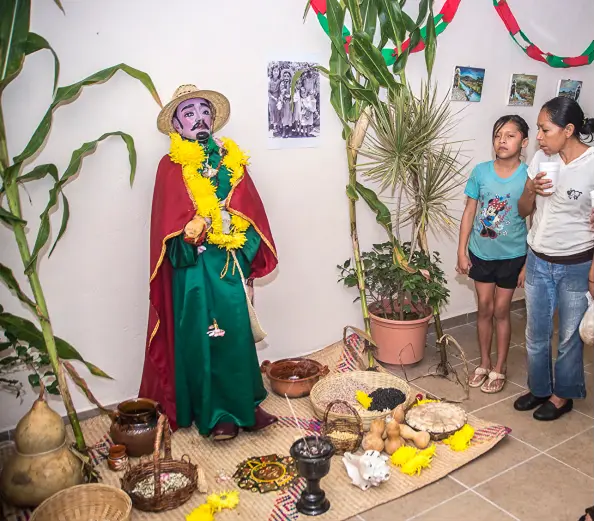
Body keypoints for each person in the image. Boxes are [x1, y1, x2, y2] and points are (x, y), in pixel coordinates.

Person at [139, 84, 279, 441]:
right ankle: (213, 413)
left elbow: (248, 209)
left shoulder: (230, 157)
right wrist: (188, 236)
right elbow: (166, 227)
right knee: (202, 336)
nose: (199, 118)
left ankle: (245, 405)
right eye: (189, 113)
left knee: (236, 332)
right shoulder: (169, 167)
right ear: (176, 124)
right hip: (192, 272)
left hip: (228, 263)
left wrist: (239, 239)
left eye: (204, 111)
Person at [514, 96, 595, 421]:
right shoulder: (540, 159)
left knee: (570, 335)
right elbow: (523, 211)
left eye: (545, 130)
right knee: (536, 331)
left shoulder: (592, 165)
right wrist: (531, 189)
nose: (539, 137)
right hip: (537, 259)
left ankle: (563, 395)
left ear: (569, 129)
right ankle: (540, 388)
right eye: (538, 129)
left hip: (576, 263)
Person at [456, 115, 530, 393]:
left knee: (502, 310)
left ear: (524, 142)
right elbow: (469, 212)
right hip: (481, 253)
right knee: (484, 307)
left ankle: (500, 367)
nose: (502, 140)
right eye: (498, 135)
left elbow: (533, 219)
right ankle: (484, 363)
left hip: (513, 255)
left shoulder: (528, 176)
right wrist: (462, 251)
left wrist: (528, 264)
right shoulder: (481, 171)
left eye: (510, 135)